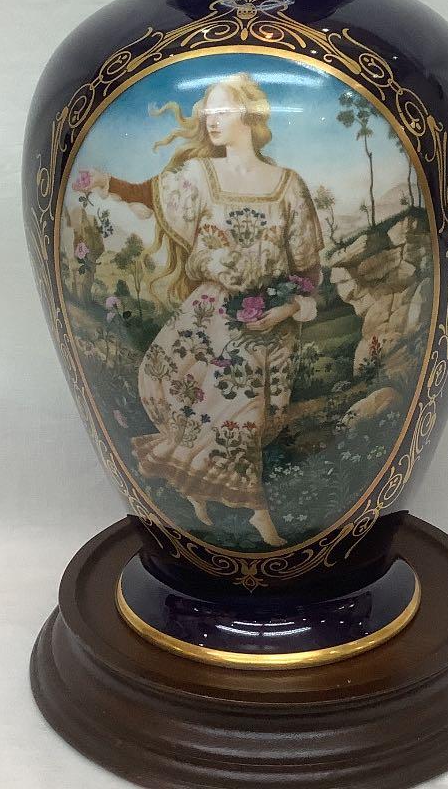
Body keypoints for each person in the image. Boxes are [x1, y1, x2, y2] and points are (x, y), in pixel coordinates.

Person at [85, 72, 324, 547]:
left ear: (250, 116)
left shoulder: (288, 186)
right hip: (209, 317)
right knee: (220, 411)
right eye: (206, 113)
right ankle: (256, 513)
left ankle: (200, 493)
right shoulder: (198, 176)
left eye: (222, 111)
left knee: (244, 417)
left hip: (269, 321)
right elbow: (151, 194)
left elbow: (308, 269)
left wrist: (287, 309)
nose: (211, 121)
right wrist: (107, 182)